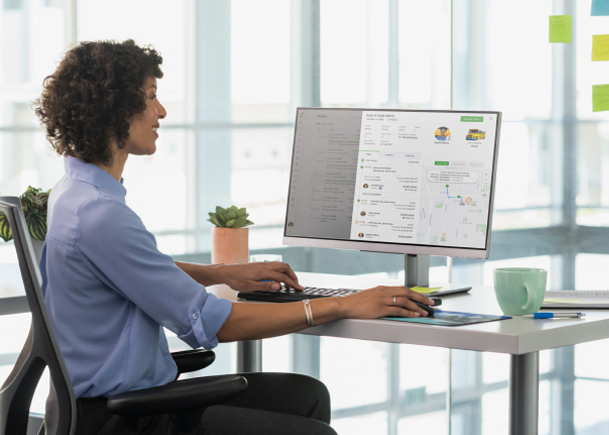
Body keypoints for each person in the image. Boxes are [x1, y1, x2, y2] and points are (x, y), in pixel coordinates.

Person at [34, 40, 434, 435]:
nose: (161, 111)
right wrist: (342, 305)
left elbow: (133, 272)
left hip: (106, 404)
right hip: (122, 419)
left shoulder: (75, 193)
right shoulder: (100, 214)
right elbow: (214, 323)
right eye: (151, 97)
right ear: (114, 109)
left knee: (307, 395)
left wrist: (222, 273)